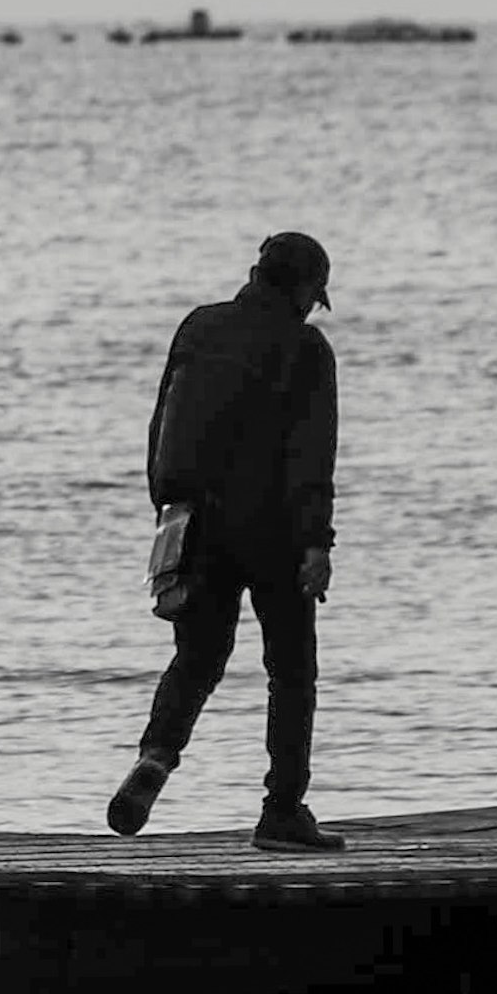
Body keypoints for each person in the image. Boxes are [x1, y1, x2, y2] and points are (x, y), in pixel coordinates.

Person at [108, 229, 340, 850]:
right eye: (316, 296)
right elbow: (312, 454)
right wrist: (317, 543)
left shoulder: (198, 327)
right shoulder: (305, 349)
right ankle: (282, 812)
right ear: (303, 289)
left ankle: (156, 757)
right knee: (291, 671)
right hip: (274, 530)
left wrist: (168, 512)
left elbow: (162, 423)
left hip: (194, 523)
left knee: (199, 656)